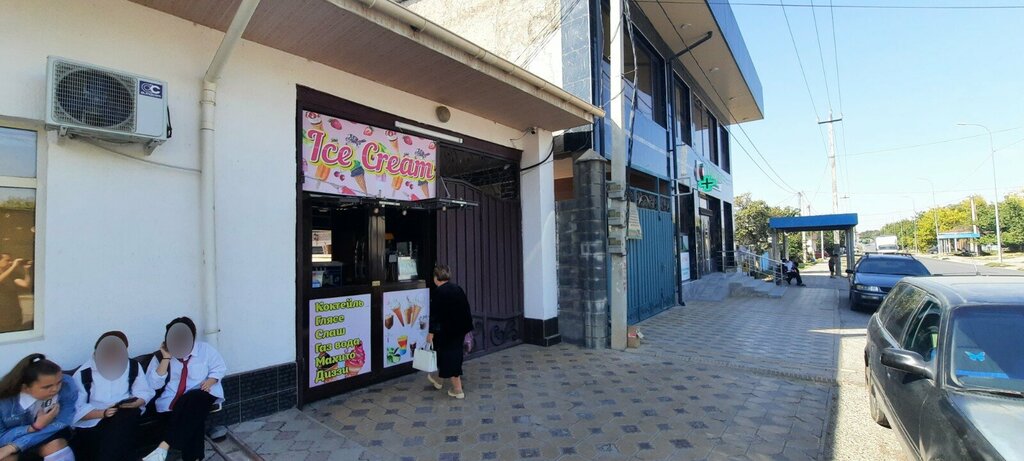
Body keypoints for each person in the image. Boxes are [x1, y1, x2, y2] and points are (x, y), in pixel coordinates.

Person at [143, 317, 226, 461]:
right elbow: (153, 384)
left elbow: (219, 367)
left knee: (194, 398)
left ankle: (164, 446)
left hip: (203, 394)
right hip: (172, 404)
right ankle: (194, 458)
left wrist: (211, 380)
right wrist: (166, 358)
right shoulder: (160, 357)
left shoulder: (205, 350)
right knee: (193, 417)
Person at [71, 331, 155, 461]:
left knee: (126, 416)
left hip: (125, 414)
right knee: (119, 430)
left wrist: (136, 402)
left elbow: (144, 392)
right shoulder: (83, 374)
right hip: (96, 420)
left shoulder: (132, 366)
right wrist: (104, 413)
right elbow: (76, 410)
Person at [0, 354, 78, 461]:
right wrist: (33, 427)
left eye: (58, 382)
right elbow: (2, 438)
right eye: (47, 387)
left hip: (51, 433)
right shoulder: (4, 401)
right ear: (25, 388)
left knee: (55, 446)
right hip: (14, 439)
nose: (55, 389)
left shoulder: (66, 385)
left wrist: (15, 445)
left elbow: (63, 422)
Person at [426, 265, 473, 399]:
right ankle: (439, 379)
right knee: (449, 354)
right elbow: (466, 309)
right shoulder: (457, 288)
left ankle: (457, 389)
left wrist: (431, 333)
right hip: (460, 329)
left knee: (450, 356)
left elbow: (435, 316)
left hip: (446, 331)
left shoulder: (438, 293)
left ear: (436, 278)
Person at [0, 255, 32, 334]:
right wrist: (14, 266)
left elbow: (25, 284)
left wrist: (26, 271)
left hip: (15, 314)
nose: (10, 262)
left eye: (10, 260)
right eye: (7, 260)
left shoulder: (11, 275)